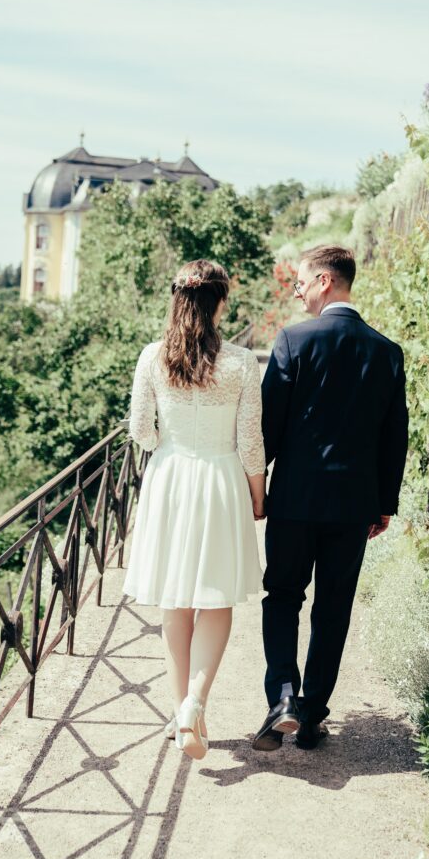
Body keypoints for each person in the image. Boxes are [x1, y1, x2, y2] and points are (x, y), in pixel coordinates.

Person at [252, 244, 408, 751]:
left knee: (282, 597)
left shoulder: (293, 341)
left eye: (300, 282)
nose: (296, 291)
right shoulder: (386, 351)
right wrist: (385, 503)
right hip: (353, 505)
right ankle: (313, 714)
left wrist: (256, 487)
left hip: (295, 501)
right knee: (334, 606)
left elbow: (267, 427)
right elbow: (393, 436)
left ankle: (282, 699)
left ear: (324, 282)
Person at [123, 258, 266, 760]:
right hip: (222, 477)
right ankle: (195, 705)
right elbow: (251, 441)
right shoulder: (242, 363)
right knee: (215, 595)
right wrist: (257, 491)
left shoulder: (151, 358)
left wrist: (168, 447)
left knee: (174, 598)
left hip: (170, 478)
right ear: (220, 302)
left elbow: (141, 430)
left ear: (177, 299)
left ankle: (179, 708)